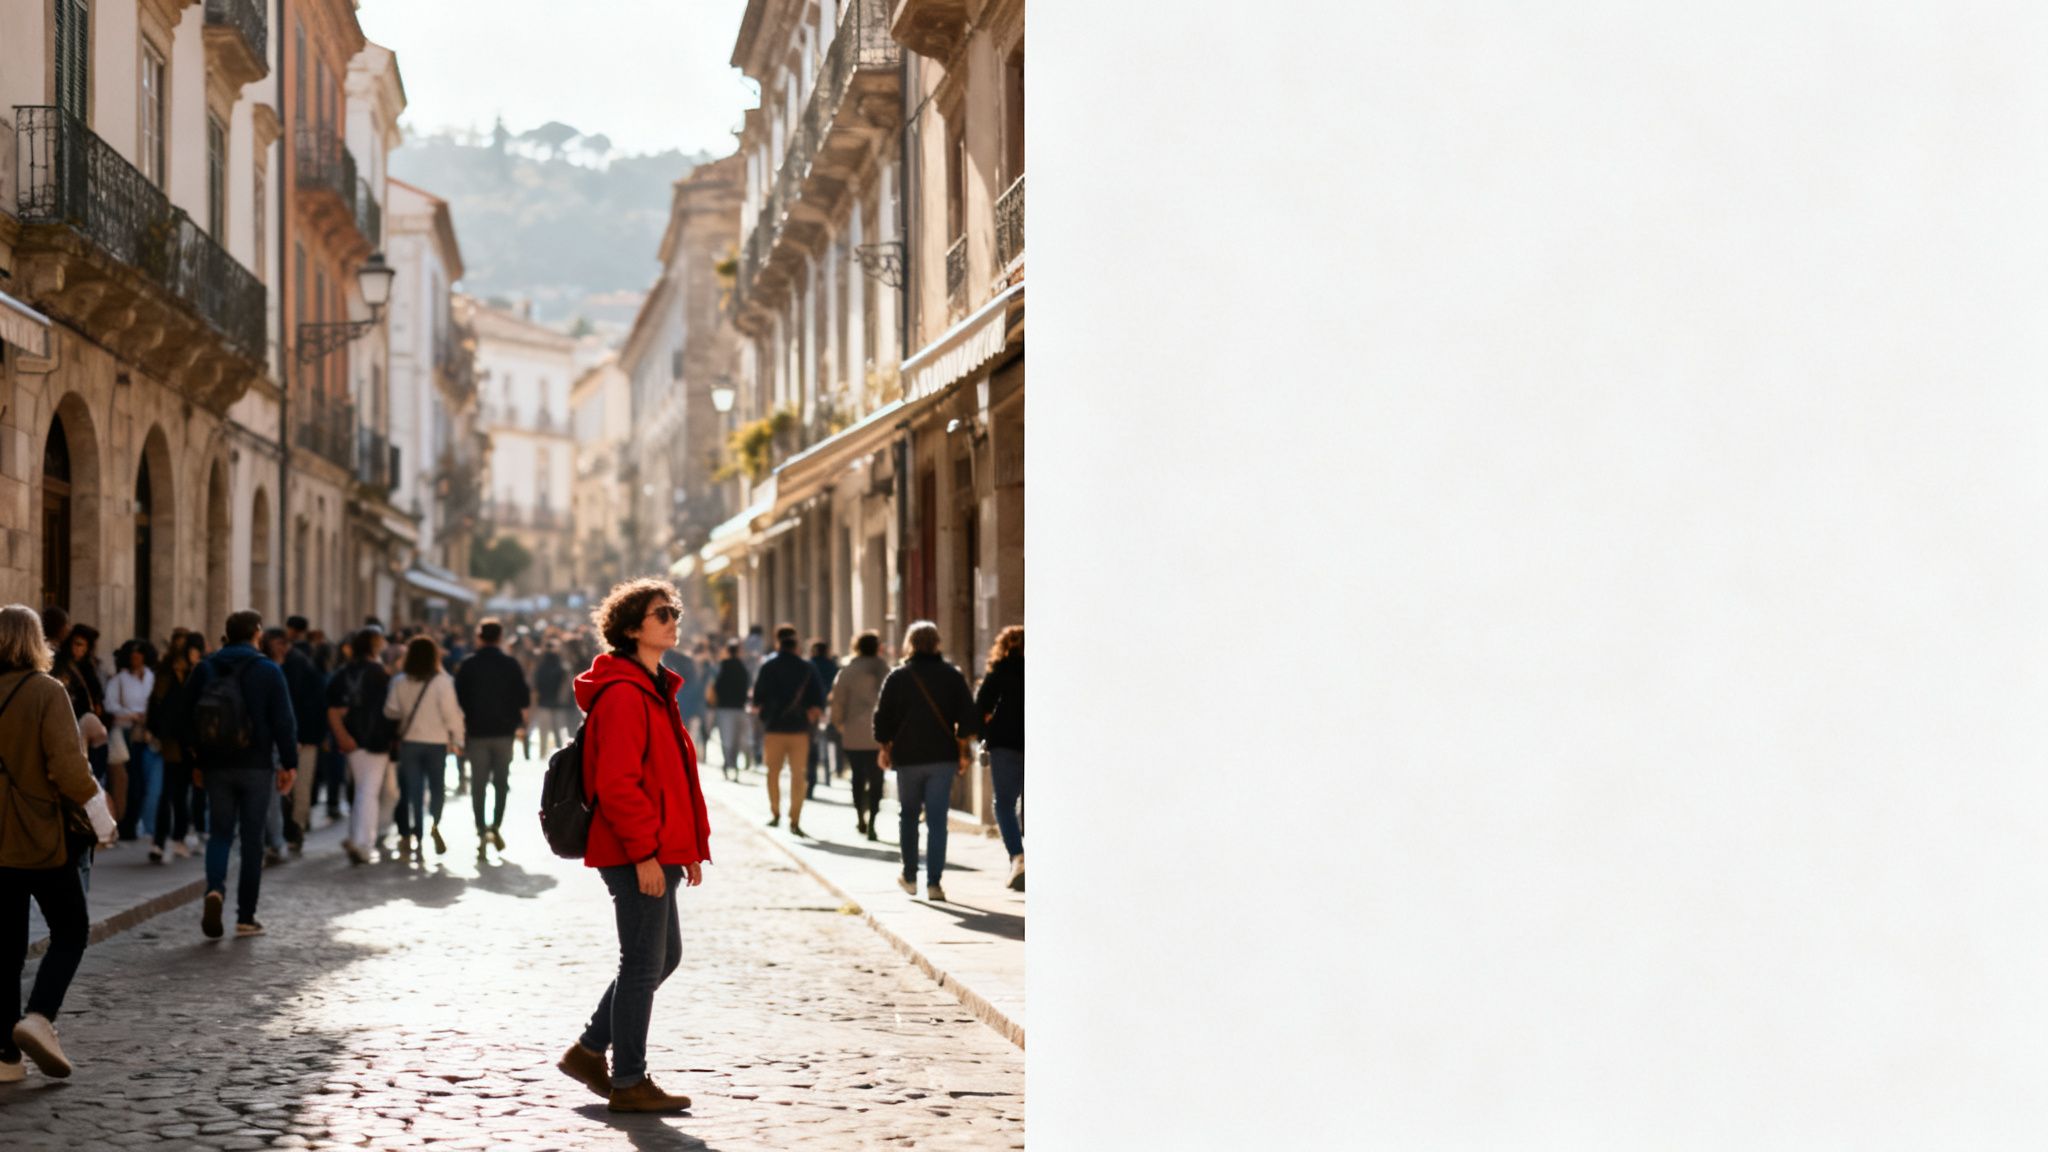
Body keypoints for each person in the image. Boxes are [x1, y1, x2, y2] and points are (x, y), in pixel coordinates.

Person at [557, 578, 709, 1114]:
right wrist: (645, 853)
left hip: (658, 848)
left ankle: (591, 1050)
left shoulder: (654, 688)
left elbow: (669, 779)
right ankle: (627, 1080)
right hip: (633, 851)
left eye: (675, 610)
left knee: (662, 957)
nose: (673, 619)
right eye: (661, 613)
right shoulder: (624, 694)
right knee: (644, 963)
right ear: (629, 629)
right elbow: (618, 783)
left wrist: (685, 847)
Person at [0, 604, 116, 1082]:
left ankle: (6, 1057)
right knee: (71, 929)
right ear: (36, 641)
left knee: (4, 944)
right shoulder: (47, 691)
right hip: (40, 834)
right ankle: (39, 1016)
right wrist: (102, 818)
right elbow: (69, 769)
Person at [185, 611, 299, 938]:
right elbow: (284, 722)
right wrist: (288, 764)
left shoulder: (205, 668)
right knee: (252, 841)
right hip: (256, 765)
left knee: (219, 833)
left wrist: (196, 761)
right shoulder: (268, 670)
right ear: (256, 634)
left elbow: (186, 718)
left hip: (216, 765)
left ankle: (214, 890)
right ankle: (245, 917)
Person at [873, 621, 976, 903]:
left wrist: (885, 746)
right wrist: (963, 748)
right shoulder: (952, 676)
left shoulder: (898, 677)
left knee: (908, 816)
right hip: (942, 757)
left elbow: (882, 717)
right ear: (937, 644)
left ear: (910, 644)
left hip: (908, 758)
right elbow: (968, 717)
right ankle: (934, 883)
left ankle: (908, 875)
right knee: (937, 821)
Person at [382, 636, 464, 863]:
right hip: (436, 743)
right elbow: (451, 714)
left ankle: (412, 833)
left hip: (410, 742)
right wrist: (458, 739)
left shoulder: (399, 681)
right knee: (437, 788)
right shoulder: (442, 682)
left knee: (412, 791)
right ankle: (434, 823)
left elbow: (390, 710)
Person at [455, 619, 529, 852]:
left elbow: (457, 699)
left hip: (476, 732)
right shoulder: (510, 664)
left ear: (479, 637)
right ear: (500, 637)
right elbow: (523, 698)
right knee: (500, 782)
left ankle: (480, 829)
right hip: (504, 732)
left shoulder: (468, 665)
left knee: (478, 783)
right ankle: (495, 825)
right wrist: (521, 725)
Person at [750, 625, 824, 837]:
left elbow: (757, 697)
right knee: (798, 775)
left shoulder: (768, 666)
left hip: (774, 728)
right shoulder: (807, 668)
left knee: (772, 773)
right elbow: (817, 699)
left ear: (777, 645)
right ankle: (795, 819)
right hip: (799, 729)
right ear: (797, 647)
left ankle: (775, 813)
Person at [327, 627, 392, 865]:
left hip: (352, 738)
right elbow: (388, 708)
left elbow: (332, 709)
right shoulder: (378, 672)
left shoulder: (343, 673)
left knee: (361, 789)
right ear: (374, 645)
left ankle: (357, 836)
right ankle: (364, 842)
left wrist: (341, 735)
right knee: (369, 791)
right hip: (375, 739)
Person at [976, 626, 1025, 891]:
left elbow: (980, 706)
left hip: (1005, 744)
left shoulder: (999, 671)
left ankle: (1018, 857)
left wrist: (985, 735)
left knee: (1004, 804)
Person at [828, 632, 890, 841]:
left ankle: (860, 817)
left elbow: (837, 702)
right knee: (877, 778)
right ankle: (873, 819)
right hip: (879, 734)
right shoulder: (884, 670)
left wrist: (839, 724)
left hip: (853, 733)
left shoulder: (848, 671)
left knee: (857, 776)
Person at [280, 617, 328, 853]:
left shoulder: (295, 665)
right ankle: (295, 828)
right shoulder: (311, 662)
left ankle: (293, 828)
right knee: (300, 785)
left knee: (294, 785)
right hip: (304, 735)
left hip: (297, 734)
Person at [146, 642, 196, 861]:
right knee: (167, 793)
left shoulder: (195, 677)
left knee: (180, 794)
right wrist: (155, 731)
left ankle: (179, 837)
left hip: (188, 745)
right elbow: (155, 708)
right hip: (170, 744)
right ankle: (160, 840)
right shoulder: (165, 680)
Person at [108, 640, 160, 842]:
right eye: (132, 654)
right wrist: (131, 715)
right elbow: (110, 704)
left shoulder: (151, 678)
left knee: (145, 782)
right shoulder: (119, 680)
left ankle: (141, 824)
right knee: (128, 782)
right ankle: (126, 825)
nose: (135, 658)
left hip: (146, 735)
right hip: (126, 735)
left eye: (139, 654)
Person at [710, 642, 751, 781]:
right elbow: (747, 685)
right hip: (739, 707)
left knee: (726, 739)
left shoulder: (722, 666)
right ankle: (733, 765)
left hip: (724, 708)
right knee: (737, 739)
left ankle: (728, 765)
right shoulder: (742, 667)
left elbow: (716, 685)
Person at [806, 639, 841, 797]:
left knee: (813, 744)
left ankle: (812, 778)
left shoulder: (808, 665)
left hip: (812, 710)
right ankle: (829, 774)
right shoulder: (832, 666)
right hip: (829, 707)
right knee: (829, 741)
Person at [532, 642, 570, 758]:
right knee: (559, 732)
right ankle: (560, 756)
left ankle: (542, 755)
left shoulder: (540, 666)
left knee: (544, 733)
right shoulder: (562, 666)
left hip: (544, 703)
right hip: (558, 704)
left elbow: (536, 684)